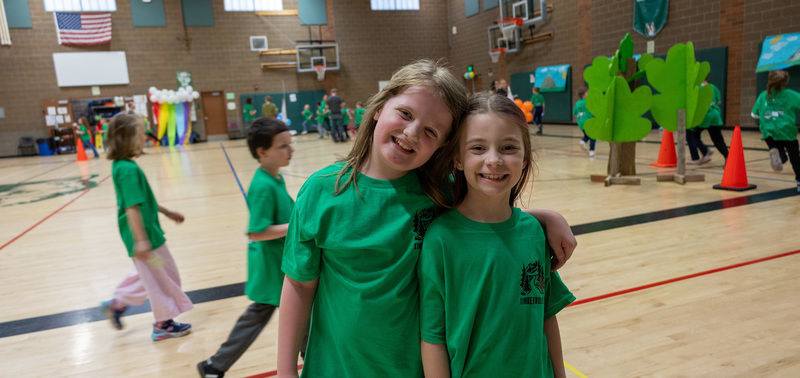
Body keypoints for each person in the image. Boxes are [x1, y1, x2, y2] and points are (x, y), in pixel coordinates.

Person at [276, 59, 577, 378]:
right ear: (379, 107)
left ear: (444, 144)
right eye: (404, 113)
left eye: (431, 130)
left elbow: (486, 224)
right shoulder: (321, 192)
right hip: (335, 367)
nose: (411, 132)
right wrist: (285, 371)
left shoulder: (439, 193)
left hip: (413, 369)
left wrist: (545, 217)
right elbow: (299, 286)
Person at [419, 92, 574, 378]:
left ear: (525, 156)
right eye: (478, 148)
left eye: (508, 147)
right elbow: (432, 338)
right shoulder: (440, 239)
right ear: (458, 158)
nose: (494, 160)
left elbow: (545, 316)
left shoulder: (533, 233)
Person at [198, 118, 295, 378]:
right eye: (283, 146)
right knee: (281, 318)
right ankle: (214, 366)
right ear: (262, 152)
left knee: (271, 319)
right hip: (273, 268)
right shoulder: (263, 186)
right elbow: (256, 231)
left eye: (290, 144)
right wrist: (296, 226)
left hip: (280, 265)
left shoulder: (274, 178)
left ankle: (214, 366)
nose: (290, 150)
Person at [99, 113, 193, 340]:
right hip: (146, 238)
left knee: (151, 273)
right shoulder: (128, 170)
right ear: (128, 138)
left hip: (146, 236)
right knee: (163, 277)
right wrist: (141, 240)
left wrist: (167, 212)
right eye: (141, 133)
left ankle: (117, 304)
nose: (145, 137)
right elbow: (131, 208)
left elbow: (142, 200)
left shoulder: (122, 165)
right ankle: (163, 324)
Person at [751, 69, 800, 192]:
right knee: (795, 157)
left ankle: (779, 155)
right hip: (787, 131)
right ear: (785, 81)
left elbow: (754, 115)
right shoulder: (791, 95)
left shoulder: (763, 95)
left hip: (769, 132)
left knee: (776, 147)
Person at [687, 79, 728, 165]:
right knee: (718, 140)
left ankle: (705, 150)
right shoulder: (713, 87)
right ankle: (728, 158)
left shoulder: (697, 88)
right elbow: (719, 102)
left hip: (703, 115)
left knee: (693, 135)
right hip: (714, 115)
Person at [573, 88, 596, 157]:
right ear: (583, 95)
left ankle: (583, 141)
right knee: (593, 136)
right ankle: (592, 150)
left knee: (588, 134)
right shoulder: (588, 101)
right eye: (587, 93)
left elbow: (574, 112)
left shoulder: (577, 103)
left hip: (580, 122)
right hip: (588, 121)